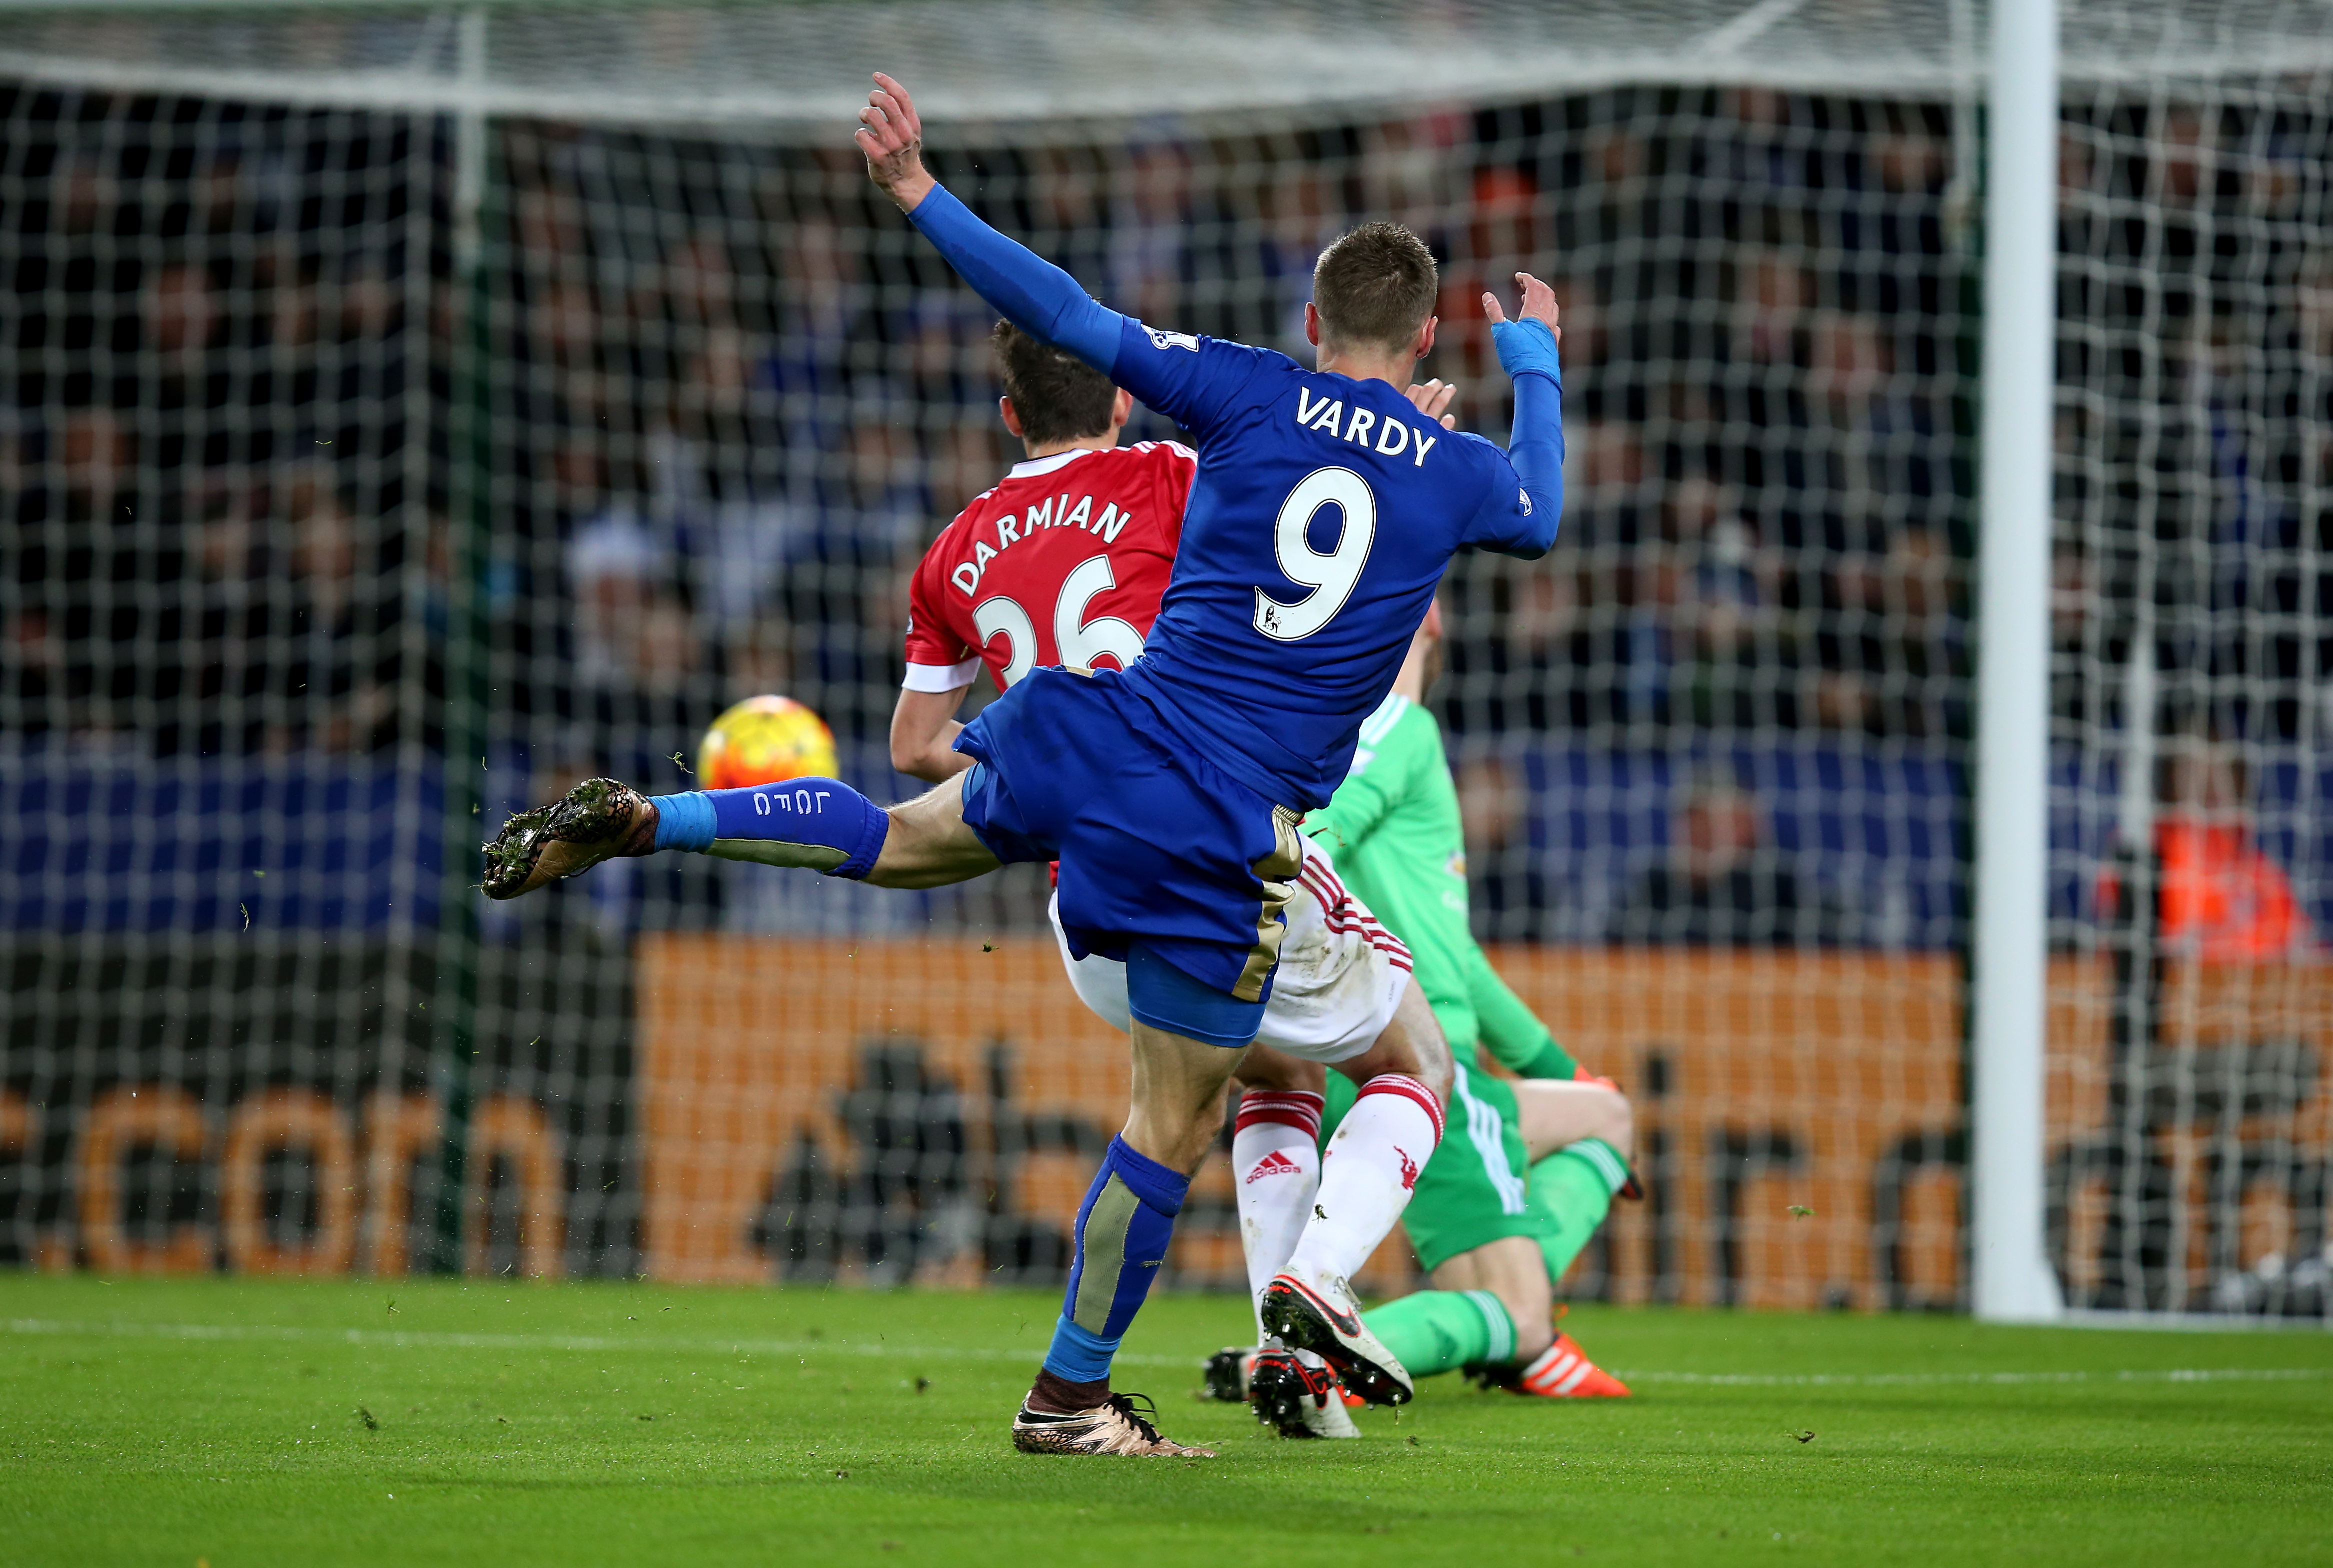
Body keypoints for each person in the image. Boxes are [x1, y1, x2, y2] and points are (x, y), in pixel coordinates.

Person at [481, 70, 1566, 1458]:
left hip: (1091, 730)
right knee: (1242, 1104)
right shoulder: (1451, 463)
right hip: (1218, 818)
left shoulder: (1236, 394)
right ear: (1427, 336)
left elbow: (1066, 316)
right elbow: (1536, 516)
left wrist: (919, 192)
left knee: (899, 835)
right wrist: (1529, 359)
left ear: (1307, 326)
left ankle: (658, 819)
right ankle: (1141, 1363)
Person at [1203, 604, 1637, 1423]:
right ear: (1429, 632)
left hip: (1325, 1045)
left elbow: (1463, 960)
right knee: (1517, 1317)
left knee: (1605, 1114)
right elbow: (1315, 834)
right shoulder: (1393, 725)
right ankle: (1305, 1364)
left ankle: (1499, 1330)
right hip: (1414, 1055)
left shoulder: (1307, 729)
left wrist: (1562, 1071)